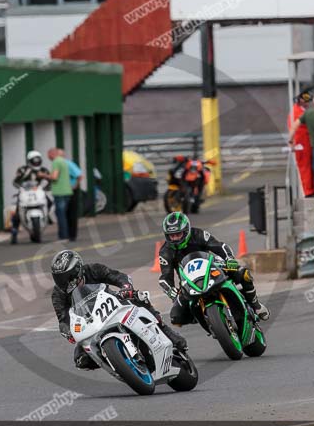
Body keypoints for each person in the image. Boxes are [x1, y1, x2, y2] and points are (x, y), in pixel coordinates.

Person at [50, 250, 187, 370]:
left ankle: (164, 329)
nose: (64, 282)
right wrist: (67, 331)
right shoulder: (58, 293)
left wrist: (126, 287)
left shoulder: (93, 269)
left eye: (67, 277)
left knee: (139, 297)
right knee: (81, 360)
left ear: (77, 270)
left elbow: (118, 277)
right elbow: (63, 318)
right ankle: (115, 361)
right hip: (91, 323)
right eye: (59, 278)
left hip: (114, 305)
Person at [158, 212, 270, 326]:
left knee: (242, 273)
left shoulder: (198, 234)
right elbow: (165, 277)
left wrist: (229, 259)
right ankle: (207, 320)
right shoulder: (165, 252)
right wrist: (170, 290)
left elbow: (220, 246)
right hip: (189, 281)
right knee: (176, 318)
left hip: (212, 267)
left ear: (186, 231)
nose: (175, 238)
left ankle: (256, 305)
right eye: (172, 236)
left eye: (178, 234)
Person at [11, 150, 52, 244]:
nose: (36, 162)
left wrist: (44, 187)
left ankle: (47, 216)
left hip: (38, 192)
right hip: (25, 193)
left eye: (38, 160)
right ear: (29, 160)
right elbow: (15, 181)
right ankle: (14, 231)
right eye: (34, 160)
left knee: (49, 202)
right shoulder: (23, 170)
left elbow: (49, 182)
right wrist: (21, 187)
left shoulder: (44, 170)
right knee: (17, 211)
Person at [287, 91, 314, 198]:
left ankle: (310, 189)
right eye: (306, 101)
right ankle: (309, 191)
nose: (308, 104)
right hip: (302, 142)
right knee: (305, 167)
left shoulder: (297, 111)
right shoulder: (297, 112)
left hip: (304, 142)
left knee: (307, 167)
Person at [47, 148, 74, 240]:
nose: (48, 157)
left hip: (59, 192)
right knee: (65, 214)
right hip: (67, 191)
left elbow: (54, 177)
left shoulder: (56, 162)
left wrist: (43, 175)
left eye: (48, 154)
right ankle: (68, 234)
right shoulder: (64, 161)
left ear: (52, 154)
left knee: (60, 215)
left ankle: (63, 236)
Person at [59, 151, 83, 242]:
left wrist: (74, 186)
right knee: (66, 213)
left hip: (72, 190)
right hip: (65, 190)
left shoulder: (68, 164)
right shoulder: (60, 165)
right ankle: (68, 234)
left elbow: (79, 175)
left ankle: (72, 235)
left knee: (72, 212)